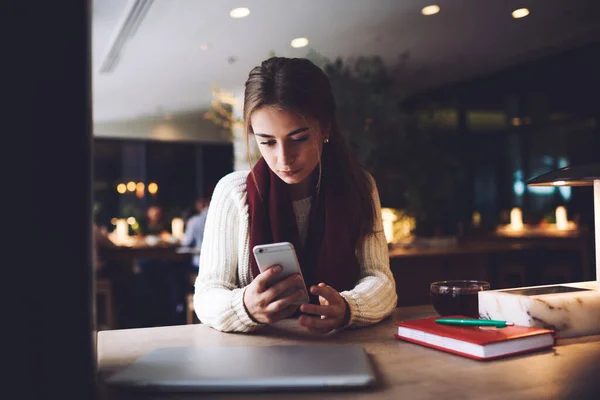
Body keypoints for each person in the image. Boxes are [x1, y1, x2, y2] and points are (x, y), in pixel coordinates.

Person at [194, 57, 397, 334]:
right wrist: (244, 306)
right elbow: (206, 295)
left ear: (325, 127)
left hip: (340, 347)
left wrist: (349, 307)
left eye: (299, 138)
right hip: (256, 355)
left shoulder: (358, 186)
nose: (283, 158)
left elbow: (380, 280)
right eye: (266, 142)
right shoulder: (233, 192)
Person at [181, 197, 210, 270]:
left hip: (199, 262)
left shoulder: (194, 221)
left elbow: (187, 242)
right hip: (215, 262)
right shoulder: (219, 219)